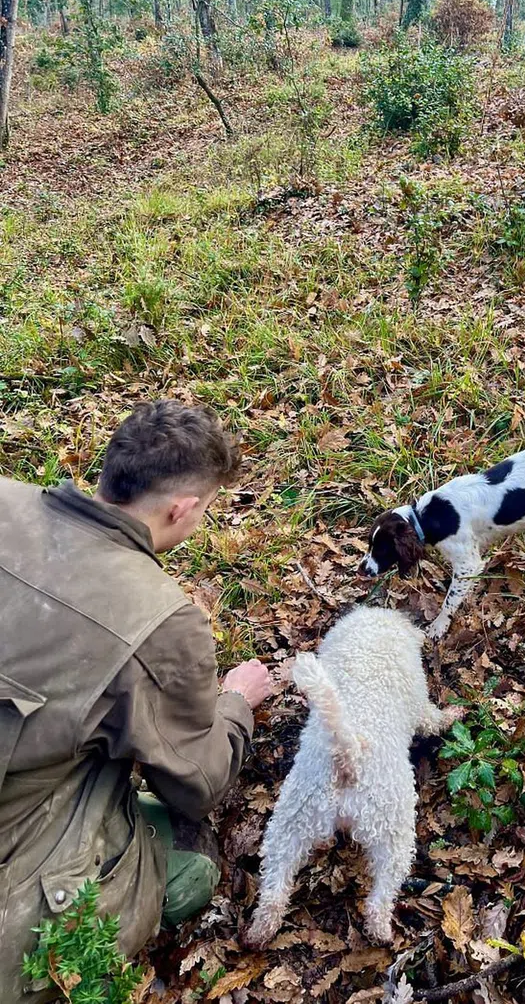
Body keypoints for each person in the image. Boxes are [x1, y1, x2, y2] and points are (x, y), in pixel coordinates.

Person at [0, 400, 272, 1003]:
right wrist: (234, 703)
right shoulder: (159, 619)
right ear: (183, 508)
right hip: (10, 886)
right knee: (188, 873)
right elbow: (197, 783)